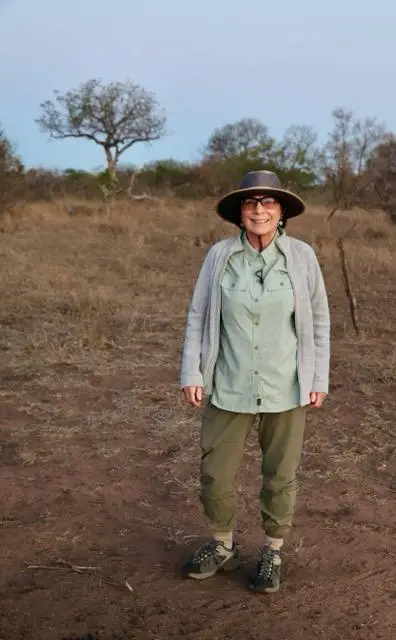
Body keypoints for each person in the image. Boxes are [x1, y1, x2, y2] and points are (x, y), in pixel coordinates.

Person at [179, 170, 330, 593]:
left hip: (286, 384)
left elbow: (318, 319)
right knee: (215, 472)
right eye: (250, 203)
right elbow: (197, 314)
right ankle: (223, 546)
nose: (259, 210)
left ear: (281, 212)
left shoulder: (301, 256)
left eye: (268, 202)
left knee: (280, 473)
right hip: (228, 382)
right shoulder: (219, 256)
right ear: (239, 213)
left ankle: (273, 550)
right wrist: (192, 371)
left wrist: (318, 377)